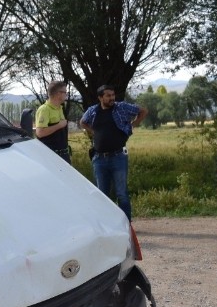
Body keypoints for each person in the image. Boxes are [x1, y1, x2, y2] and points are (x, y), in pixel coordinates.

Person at [79, 85, 148, 221]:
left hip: (118, 157)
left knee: (121, 193)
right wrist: (93, 131)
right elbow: (82, 122)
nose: (112, 98)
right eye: (108, 96)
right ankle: (107, 225)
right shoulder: (93, 111)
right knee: (102, 194)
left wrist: (133, 125)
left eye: (113, 95)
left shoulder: (121, 107)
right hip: (99, 159)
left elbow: (143, 111)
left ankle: (126, 224)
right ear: (100, 98)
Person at [34, 81, 71, 162]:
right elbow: (40, 133)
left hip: (63, 154)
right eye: (65, 92)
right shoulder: (44, 109)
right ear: (59, 94)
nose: (66, 95)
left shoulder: (60, 108)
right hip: (50, 156)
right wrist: (59, 125)